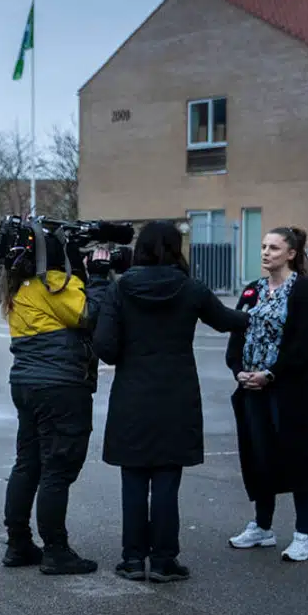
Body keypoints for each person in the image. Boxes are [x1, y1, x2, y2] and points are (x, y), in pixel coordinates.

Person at [92, 222, 249, 583]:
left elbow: (105, 348)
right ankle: (164, 559)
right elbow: (228, 321)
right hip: (176, 396)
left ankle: (132, 559)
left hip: (132, 396)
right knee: (166, 480)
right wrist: (259, 311)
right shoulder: (190, 288)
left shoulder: (121, 289)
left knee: (133, 480)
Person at [1, 228, 110, 575]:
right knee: (57, 469)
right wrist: (99, 277)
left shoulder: (20, 286)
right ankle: (56, 549)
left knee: (28, 464)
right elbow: (90, 316)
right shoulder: (55, 284)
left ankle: (18, 544)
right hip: (60, 386)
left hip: (26, 384)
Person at [226, 226, 308, 563]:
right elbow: (237, 334)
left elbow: (305, 346)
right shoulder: (252, 291)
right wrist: (239, 370)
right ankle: (263, 527)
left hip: (289, 390)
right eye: (264, 246)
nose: (266, 252)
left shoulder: (305, 291)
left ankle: (304, 535)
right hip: (251, 389)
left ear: (292, 253)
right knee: (259, 455)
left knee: (297, 457)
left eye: (274, 247)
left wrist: (270, 374)